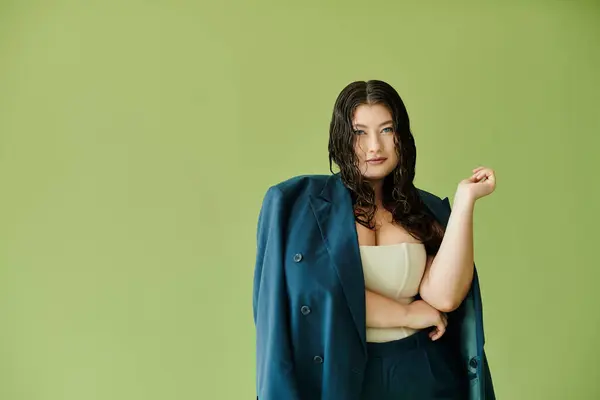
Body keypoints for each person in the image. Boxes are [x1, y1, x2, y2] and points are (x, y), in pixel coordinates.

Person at [252, 80, 496, 400]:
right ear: (341, 138)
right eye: (359, 132)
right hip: (340, 376)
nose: (374, 148)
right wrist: (407, 314)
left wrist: (465, 200)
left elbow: (445, 298)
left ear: (402, 137)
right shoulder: (296, 205)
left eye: (386, 129)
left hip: (424, 372)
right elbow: (322, 292)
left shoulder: (426, 210)